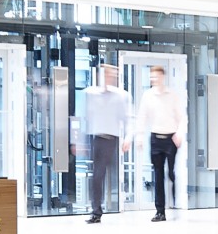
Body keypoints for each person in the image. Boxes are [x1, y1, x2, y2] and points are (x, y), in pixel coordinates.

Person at [78, 64, 133, 223]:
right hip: (96, 138)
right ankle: (96, 211)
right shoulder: (91, 94)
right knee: (97, 176)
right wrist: (78, 141)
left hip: (111, 139)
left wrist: (128, 137)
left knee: (102, 174)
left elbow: (128, 118)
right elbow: (83, 116)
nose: (109, 77)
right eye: (106, 74)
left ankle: (103, 208)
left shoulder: (120, 96)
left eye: (111, 75)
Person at [134, 65, 185, 223]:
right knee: (158, 174)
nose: (154, 79)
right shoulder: (148, 95)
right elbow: (142, 116)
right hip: (155, 138)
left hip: (170, 138)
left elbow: (182, 117)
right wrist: (140, 136)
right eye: (152, 77)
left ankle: (176, 200)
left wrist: (179, 133)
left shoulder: (173, 95)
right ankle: (160, 211)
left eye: (156, 76)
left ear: (162, 77)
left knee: (170, 173)